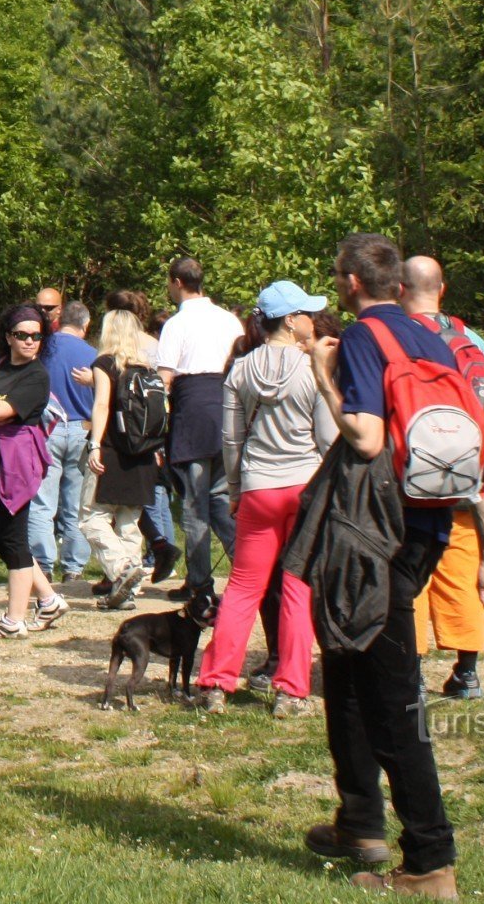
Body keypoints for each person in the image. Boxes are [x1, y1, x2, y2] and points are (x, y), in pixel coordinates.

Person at [299, 232, 484, 896]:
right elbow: (474, 426)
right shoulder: (438, 338)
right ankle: (359, 819)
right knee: (345, 660)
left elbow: (364, 437)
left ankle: (429, 862)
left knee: (391, 695)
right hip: (429, 523)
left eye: (338, 277)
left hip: (375, 532)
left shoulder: (366, 338)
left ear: (352, 282)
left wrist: (322, 376)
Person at [195, 282, 335, 714]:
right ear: (291, 320)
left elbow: (231, 440)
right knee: (296, 587)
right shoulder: (313, 367)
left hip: (257, 487)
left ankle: (215, 683)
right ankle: (291, 691)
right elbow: (327, 438)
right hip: (304, 486)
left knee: (242, 587)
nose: (312, 319)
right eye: (306, 312)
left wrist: (235, 490)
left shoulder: (239, 369)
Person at [401, 256, 484, 703]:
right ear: (443, 289)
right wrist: (478, 439)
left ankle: (411, 675)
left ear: (399, 289)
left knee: (411, 574)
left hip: (414, 476)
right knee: (463, 567)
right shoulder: (466, 335)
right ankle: (466, 673)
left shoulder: (397, 334)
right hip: (465, 475)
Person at [0, 303, 68, 639]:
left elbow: (2, 410)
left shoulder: (37, 376)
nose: (30, 341)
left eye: (37, 336)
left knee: (13, 535)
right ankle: (48, 599)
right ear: (8, 336)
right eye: (22, 335)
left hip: (16, 461)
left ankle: (14, 620)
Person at [155, 257, 241, 598]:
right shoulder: (229, 319)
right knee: (220, 496)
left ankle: (200, 583)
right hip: (227, 409)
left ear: (176, 282)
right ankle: (249, 566)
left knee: (193, 504)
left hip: (192, 412)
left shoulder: (177, 324)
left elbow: (165, 378)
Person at [84, 303, 165, 608]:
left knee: (92, 517)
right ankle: (127, 594)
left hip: (112, 451)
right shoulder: (147, 369)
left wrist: (94, 444)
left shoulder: (106, 363)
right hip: (143, 453)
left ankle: (122, 569)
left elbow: (102, 404)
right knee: (130, 522)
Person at [28, 295, 97, 585]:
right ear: (86, 324)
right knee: (77, 504)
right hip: (82, 428)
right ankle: (74, 567)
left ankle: (42, 564)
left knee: (43, 501)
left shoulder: (44, 349)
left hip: (48, 428)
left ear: (60, 320)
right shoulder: (94, 354)